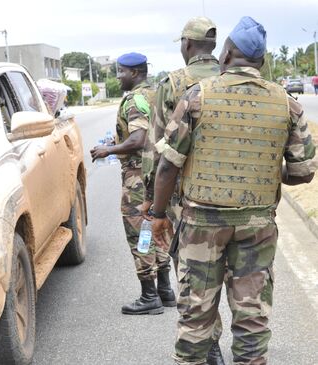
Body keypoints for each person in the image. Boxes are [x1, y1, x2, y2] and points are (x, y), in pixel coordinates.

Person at [150, 16, 317, 364]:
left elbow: (168, 165)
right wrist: (269, 172)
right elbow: (302, 173)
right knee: (252, 319)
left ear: (225, 56)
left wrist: (157, 215)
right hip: (257, 226)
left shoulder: (196, 97)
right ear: (262, 61)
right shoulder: (287, 103)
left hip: (201, 226)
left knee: (196, 316)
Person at [140, 17, 225, 364]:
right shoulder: (232, 78)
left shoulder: (172, 84)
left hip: (185, 201)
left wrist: (151, 200)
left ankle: (210, 345)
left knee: (194, 279)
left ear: (187, 45)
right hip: (236, 197)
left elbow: (157, 148)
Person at [90, 52, 173, 315]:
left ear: (135, 73)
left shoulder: (135, 100)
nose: (118, 77)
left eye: (121, 72)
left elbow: (137, 139)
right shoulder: (156, 94)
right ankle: (165, 290)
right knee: (155, 228)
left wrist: (108, 150)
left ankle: (149, 296)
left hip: (138, 178)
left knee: (141, 233)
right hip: (158, 174)